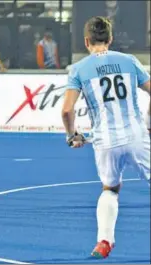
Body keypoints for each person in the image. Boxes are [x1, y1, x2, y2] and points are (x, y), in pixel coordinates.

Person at [61, 16, 150, 259]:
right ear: (110, 39)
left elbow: (67, 110)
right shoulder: (129, 61)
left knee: (110, 189)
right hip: (136, 135)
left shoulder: (79, 69)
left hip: (105, 142)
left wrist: (72, 136)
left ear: (86, 41)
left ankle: (104, 242)